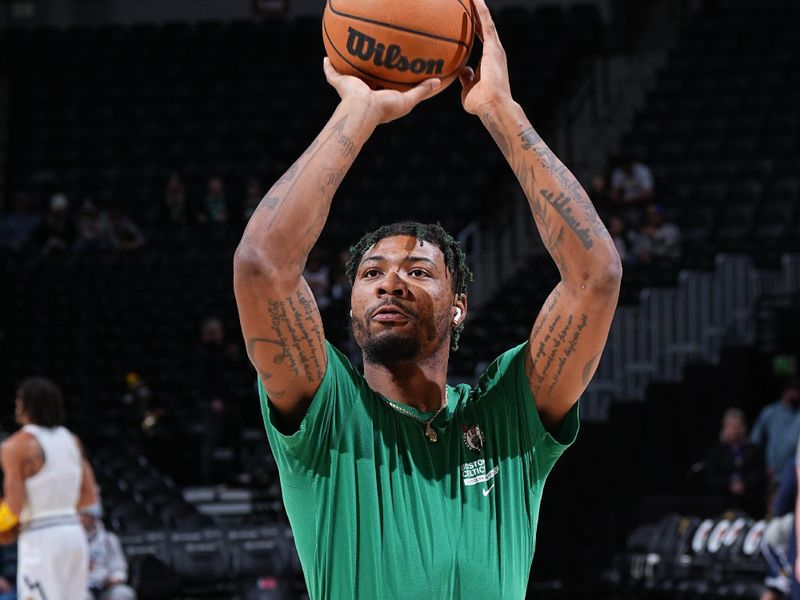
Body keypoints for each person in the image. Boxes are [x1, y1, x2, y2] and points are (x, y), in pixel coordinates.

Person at [232, 0, 621, 597]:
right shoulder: (327, 410)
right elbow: (262, 266)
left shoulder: (508, 415)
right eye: (370, 273)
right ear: (352, 305)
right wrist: (359, 110)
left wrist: (500, 110)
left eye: (418, 269)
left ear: (459, 305)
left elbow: (595, 276)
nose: (390, 282)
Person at [0, 377, 98, 600]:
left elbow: (13, 509)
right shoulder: (72, 441)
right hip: (73, 533)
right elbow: (89, 496)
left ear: (25, 404)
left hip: (41, 536)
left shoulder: (16, 446)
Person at [703, 408, 765, 515]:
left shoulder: (753, 450)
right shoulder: (715, 451)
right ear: (724, 428)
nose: (735, 429)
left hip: (750, 501)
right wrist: (729, 484)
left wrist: (744, 484)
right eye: (731, 426)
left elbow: (760, 472)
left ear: (743, 427)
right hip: (722, 502)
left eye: (737, 426)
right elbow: (711, 475)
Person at [80, 504, 137, 600]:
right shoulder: (71, 540)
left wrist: (114, 578)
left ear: (93, 517)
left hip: (106, 586)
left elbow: (119, 567)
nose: (80, 518)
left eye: (85, 515)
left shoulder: (109, 539)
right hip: (82, 586)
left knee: (123, 593)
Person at [752, 379, 800, 489]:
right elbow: (755, 441)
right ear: (786, 391)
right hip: (771, 474)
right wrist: (762, 466)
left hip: (795, 475)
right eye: (795, 390)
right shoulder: (770, 412)